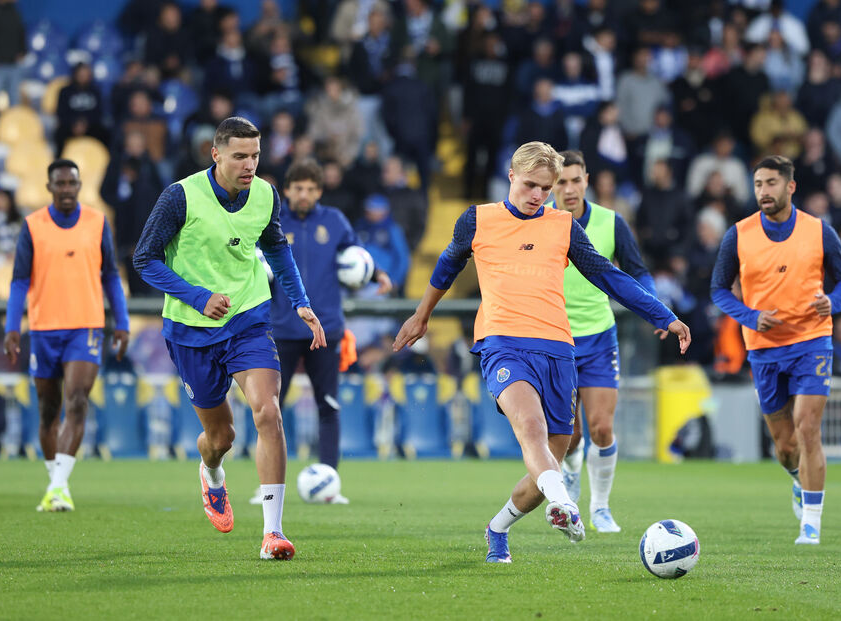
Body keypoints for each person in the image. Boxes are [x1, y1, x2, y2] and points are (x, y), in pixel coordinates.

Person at [393, 142, 690, 563]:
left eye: (545, 189)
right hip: (502, 345)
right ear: (511, 176)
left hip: (557, 349)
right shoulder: (477, 219)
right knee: (529, 425)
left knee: (556, 450)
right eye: (530, 185)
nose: (537, 195)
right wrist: (422, 315)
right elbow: (447, 265)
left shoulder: (564, 226)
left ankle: (498, 527)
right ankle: (564, 503)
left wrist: (663, 316)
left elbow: (610, 277)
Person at [133, 117, 326, 560]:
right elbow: (144, 260)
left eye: (255, 155)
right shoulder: (180, 196)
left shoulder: (266, 193)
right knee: (221, 438)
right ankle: (211, 473)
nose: (249, 165)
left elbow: (276, 246)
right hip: (190, 329)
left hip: (247, 318)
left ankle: (272, 533)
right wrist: (198, 298)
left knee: (268, 411)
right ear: (215, 154)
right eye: (240, 156)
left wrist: (299, 300)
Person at [711, 155, 841, 545]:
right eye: (758, 184)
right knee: (786, 445)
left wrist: (834, 301)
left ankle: (811, 522)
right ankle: (797, 479)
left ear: (790, 186)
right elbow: (718, 290)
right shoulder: (738, 234)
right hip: (764, 349)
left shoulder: (819, 231)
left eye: (771, 183)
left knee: (808, 428)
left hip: (812, 341)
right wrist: (749, 316)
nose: (764, 191)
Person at [4, 160, 130, 512]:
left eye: (71, 183)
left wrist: (121, 322)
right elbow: (18, 282)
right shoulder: (33, 226)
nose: (65, 189)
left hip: (86, 326)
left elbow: (111, 277)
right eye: (59, 184)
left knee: (76, 399)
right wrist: (13, 327)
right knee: (48, 410)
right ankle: (54, 482)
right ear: (49, 187)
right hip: (44, 328)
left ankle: (59, 486)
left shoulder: (97, 222)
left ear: (78, 185)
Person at [262, 158, 391, 506]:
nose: (304, 194)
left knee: (328, 405)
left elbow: (354, 256)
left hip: (326, 328)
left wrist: (376, 272)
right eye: (298, 188)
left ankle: (330, 483)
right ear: (287, 190)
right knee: (270, 408)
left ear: (319, 191)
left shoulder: (334, 221)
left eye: (310, 189)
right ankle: (269, 488)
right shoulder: (271, 221)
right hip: (283, 328)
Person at [549, 150, 659, 533]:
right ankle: (571, 469)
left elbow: (638, 272)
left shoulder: (612, 223)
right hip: (556, 340)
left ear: (587, 181)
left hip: (598, 336)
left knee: (600, 427)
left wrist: (655, 310)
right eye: (561, 181)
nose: (569, 189)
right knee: (571, 433)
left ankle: (600, 507)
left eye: (575, 180)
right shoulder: (541, 222)